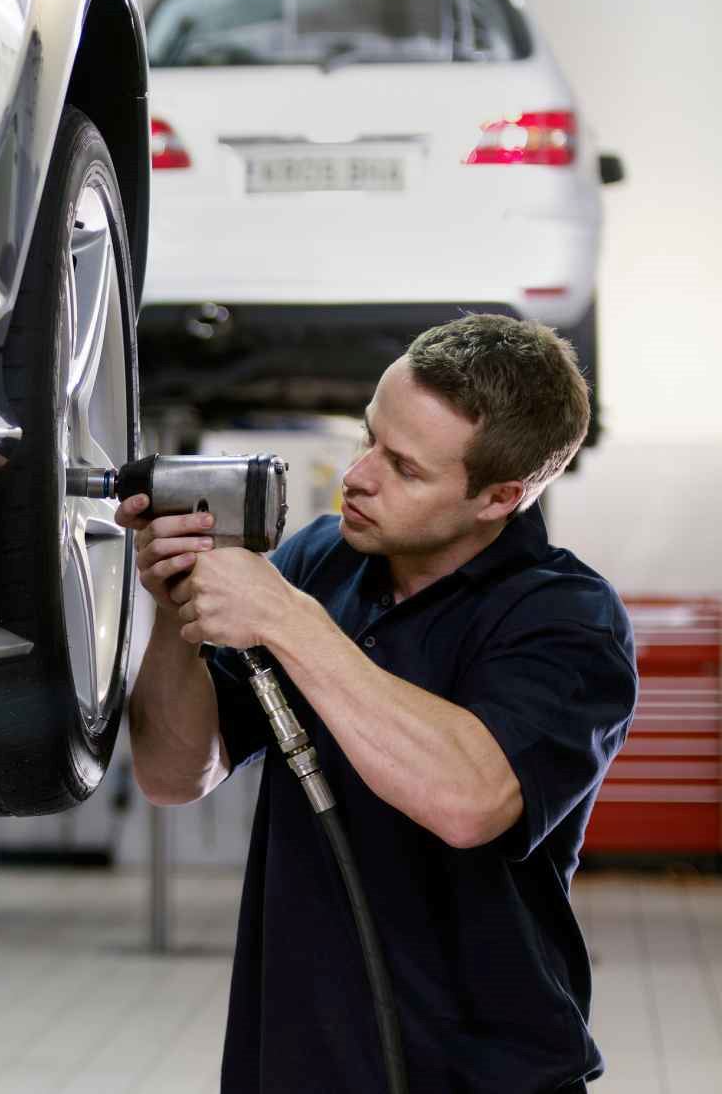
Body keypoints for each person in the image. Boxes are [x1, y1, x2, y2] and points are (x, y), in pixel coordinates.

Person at [119, 314, 636, 1093]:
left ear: (500, 497)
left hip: (478, 1071)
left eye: (404, 466)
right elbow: (172, 773)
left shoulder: (566, 620)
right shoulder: (322, 559)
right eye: (368, 438)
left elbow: (471, 801)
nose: (358, 476)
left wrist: (289, 621)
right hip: (294, 1061)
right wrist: (174, 613)